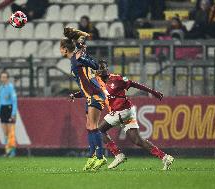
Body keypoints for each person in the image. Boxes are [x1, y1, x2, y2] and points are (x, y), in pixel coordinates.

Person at [94, 60, 174, 170]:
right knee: (137, 140)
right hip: (126, 111)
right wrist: (75, 95)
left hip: (122, 111)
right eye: (99, 68)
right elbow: (87, 92)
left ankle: (118, 155)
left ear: (106, 68)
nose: (101, 70)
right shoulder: (97, 81)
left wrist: (154, 92)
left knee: (99, 130)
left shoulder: (117, 78)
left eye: (103, 67)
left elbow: (134, 84)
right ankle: (165, 157)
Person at [60, 27, 107, 171]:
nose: (60, 51)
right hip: (89, 95)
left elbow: (93, 64)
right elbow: (84, 83)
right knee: (89, 127)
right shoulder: (75, 59)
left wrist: (80, 38)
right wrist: (76, 95)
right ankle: (92, 156)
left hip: (95, 95)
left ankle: (100, 157)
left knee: (93, 126)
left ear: (64, 49)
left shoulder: (76, 59)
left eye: (61, 48)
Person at [0, 71, 17, 157]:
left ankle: (12, 152)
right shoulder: (1, 88)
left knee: (10, 132)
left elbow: (14, 101)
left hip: (9, 108)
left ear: (7, 78)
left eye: (5, 77)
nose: (3, 79)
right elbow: (0, 101)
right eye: (2, 77)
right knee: (5, 132)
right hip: (3, 109)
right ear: (0, 78)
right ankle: (7, 151)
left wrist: (13, 113)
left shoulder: (10, 87)